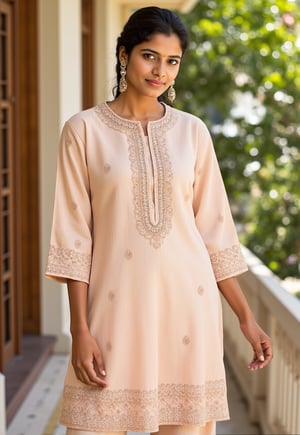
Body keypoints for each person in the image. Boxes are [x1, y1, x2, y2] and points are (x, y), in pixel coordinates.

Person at [45, 6, 272, 435]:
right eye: (150, 56)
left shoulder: (193, 133)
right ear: (123, 54)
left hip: (189, 309)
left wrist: (245, 318)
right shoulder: (84, 130)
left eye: (173, 62)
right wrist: (79, 330)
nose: (161, 71)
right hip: (111, 313)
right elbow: (73, 238)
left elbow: (215, 234)